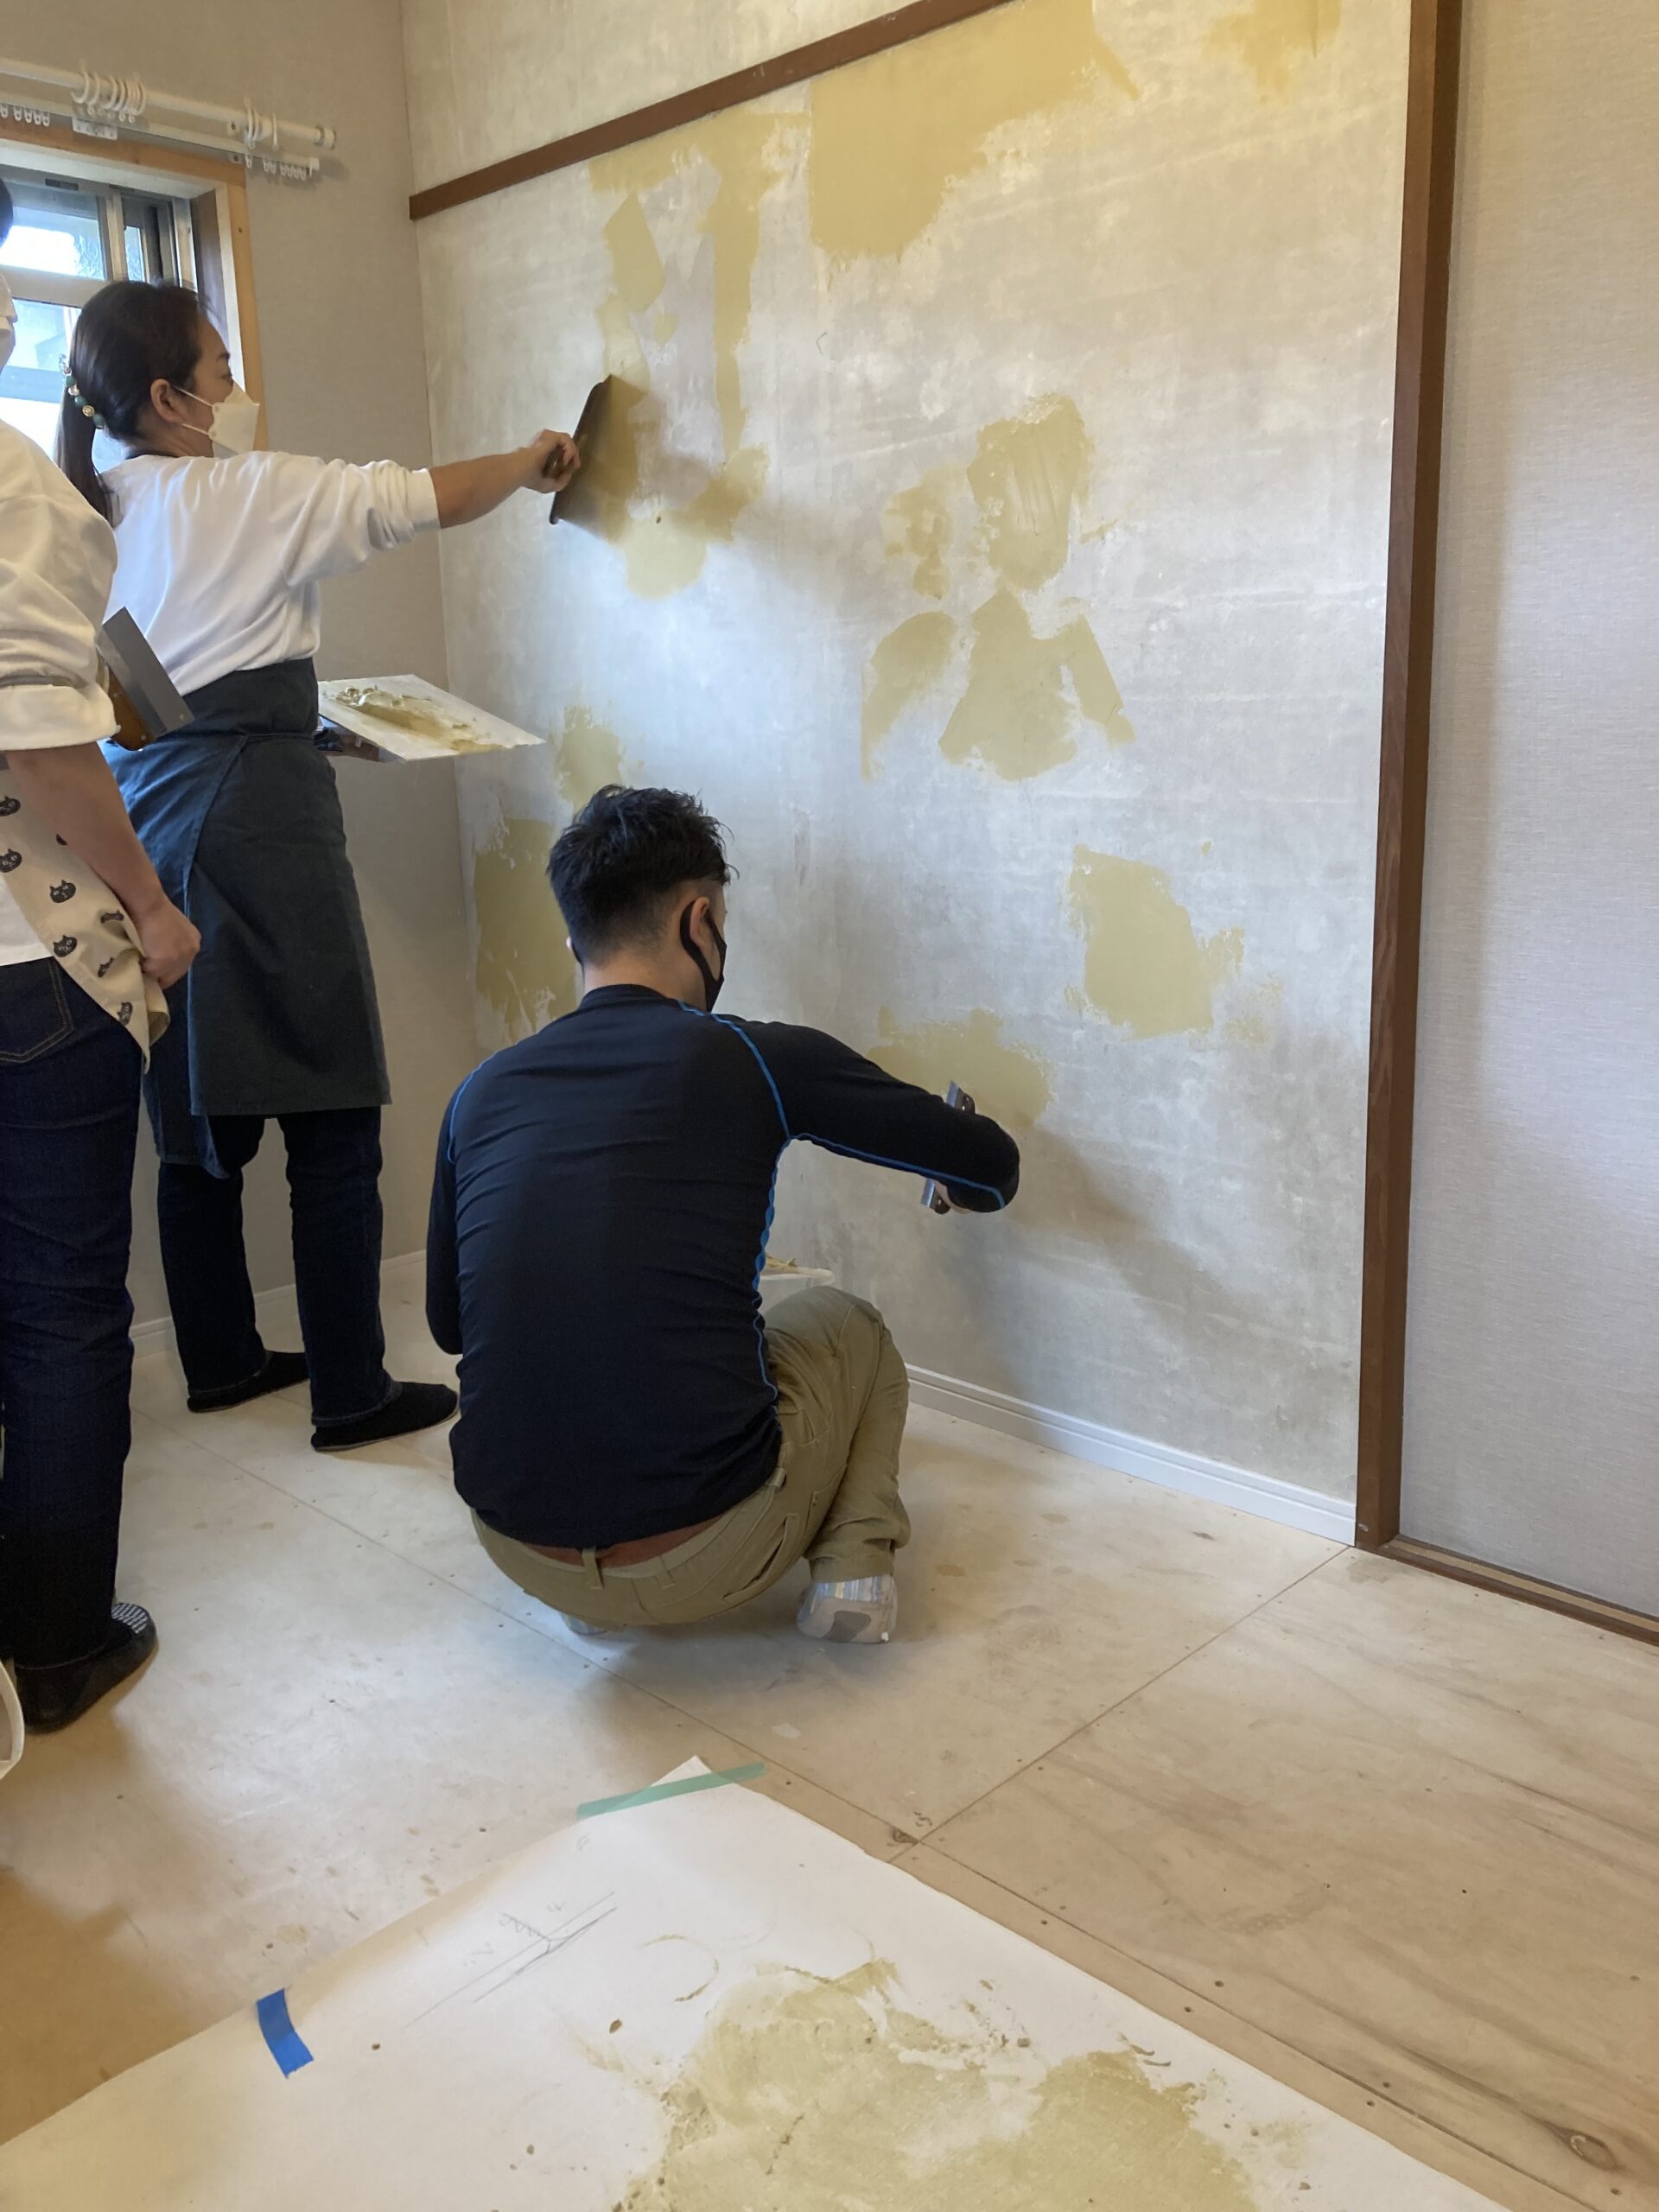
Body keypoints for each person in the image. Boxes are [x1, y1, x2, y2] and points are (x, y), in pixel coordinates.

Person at [57, 280, 580, 1452]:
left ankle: (222, 1360)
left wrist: (295, 724)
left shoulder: (92, 510)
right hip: (259, 819)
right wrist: (530, 460)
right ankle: (351, 1390)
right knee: (334, 1109)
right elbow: (415, 499)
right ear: (169, 398)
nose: (238, 389)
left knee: (196, 1116)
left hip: (151, 816)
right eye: (222, 369)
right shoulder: (244, 487)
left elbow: (152, 691)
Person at [426, 786, 1020, 1646]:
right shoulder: (750, 1057)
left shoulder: (477, 1093)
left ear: (575, 941)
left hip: (515, 1547)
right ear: (699, 922)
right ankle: (855, 1568)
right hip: (706, 1554)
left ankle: (592, 1596)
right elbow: (993, 1168)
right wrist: (959, 1177)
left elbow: (451, 1324)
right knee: (850, 1327)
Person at [0, 184, 201, 1732]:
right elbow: (43, 741)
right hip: (27, 965)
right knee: (65, 1310)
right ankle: (57, 1646)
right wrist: (152, 906)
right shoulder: (14, 488)